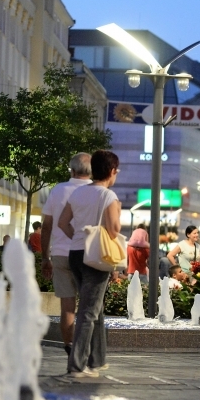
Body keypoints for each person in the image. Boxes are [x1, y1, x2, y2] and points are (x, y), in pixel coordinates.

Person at [57, 150, 121, 378]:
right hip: (96, 257)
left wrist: (79, 237)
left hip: (76, 253)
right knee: (88, 312)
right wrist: (117, 210)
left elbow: (62, 222)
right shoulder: (109, 196)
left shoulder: (78, 193)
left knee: (95, 307)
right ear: (111, 171)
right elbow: (114, 230)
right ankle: (77, 365)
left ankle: (98, 360)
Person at [40, 152, 92, 356]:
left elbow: (47, 226)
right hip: (88, 254)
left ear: (72, 170)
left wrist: (45, 257)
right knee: (89, 306)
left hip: (61, 254)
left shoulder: (58, 190)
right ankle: (86, 351)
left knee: (67, 307)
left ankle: (70, 348)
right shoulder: (97, 191)